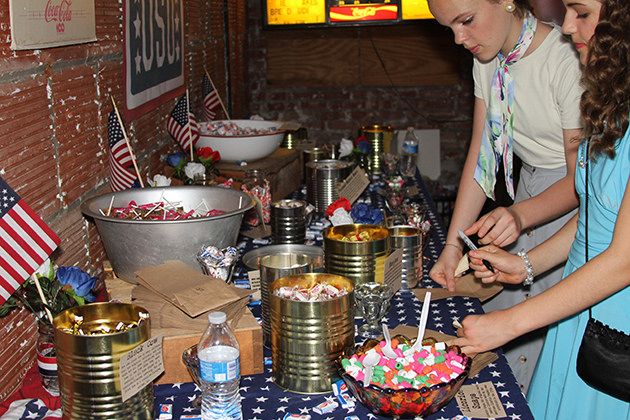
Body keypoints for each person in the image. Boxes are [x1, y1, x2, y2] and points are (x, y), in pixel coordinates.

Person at [454, 0, 630, 417]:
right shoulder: (615, 103)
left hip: (616, 323)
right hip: (579, 306)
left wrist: (511, 322)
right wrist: (526, 265)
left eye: (581, 13)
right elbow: (595, 217)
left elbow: (623, 259)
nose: (567, 26)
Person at [427, 0, 583, 391]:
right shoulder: (488, 59)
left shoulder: (564, 58)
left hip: (569, 203)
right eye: (450, 29)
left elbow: (581, 180)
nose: (460, 39)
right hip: (528, 189)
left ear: (507, 2)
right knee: (493, 312)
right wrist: (451, 245)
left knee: (534, 335)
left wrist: (519, 215)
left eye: (466, 21)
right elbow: (481, 160)